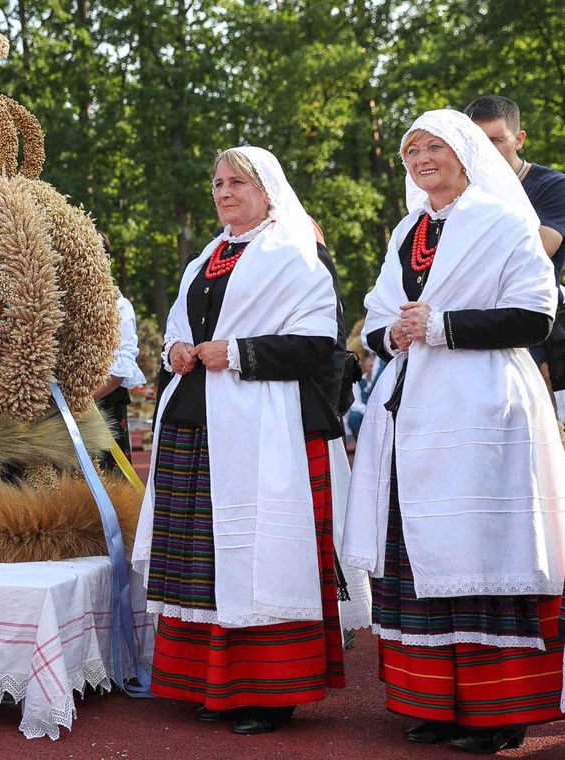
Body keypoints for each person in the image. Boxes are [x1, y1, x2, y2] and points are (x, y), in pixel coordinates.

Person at [343, 109, 565, 754]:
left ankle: (499, 710)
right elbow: (379, 317)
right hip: (412, 409)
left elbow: (533, 315)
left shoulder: (506, 219)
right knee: (416, 552)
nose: (419, 157)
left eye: (434, 145)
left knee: (484, 548)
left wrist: (442, 326)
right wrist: (395, 334)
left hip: (485, 407)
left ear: (468, 152)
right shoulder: (407, 229)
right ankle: (432, 701)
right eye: (411, 149)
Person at [131, 146, 344, 735]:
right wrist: (176, 349)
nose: (224, 193)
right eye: (218, 184)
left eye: (237, 183)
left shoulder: (296, 250)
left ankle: (266, 691)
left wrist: (242, 353)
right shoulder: (207, 255)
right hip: (196, 423)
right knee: (201, 557)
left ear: (269, 189)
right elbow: (181, 321)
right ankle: (208, 682)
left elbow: (318, 344)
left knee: (257, 555)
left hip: (260, 424)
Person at [465, 96, 565, 396]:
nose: (487, 150)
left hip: (539, 331)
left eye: (496, 140)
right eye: (477, 141)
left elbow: (536, 250)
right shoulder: (459, 194)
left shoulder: (551, 185)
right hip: (475, 330)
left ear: (519, 139)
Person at [93, 237, 146, 467]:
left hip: (104, 407)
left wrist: (80, 403)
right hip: (63, 413)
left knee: (108, 483)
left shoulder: (119, 306)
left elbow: (119, 371)